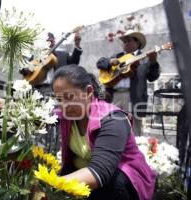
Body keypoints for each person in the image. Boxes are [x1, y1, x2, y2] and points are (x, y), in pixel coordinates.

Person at [52, 64, 156, 200]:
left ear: (89, 92)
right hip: (85, 179)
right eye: (59, 99)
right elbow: (39, 117)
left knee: (113, 184)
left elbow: (99, 172)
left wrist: (50, 184)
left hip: (121, 185)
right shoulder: (67, 115)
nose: (63, 105)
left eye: (69, 97)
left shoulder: (113, 119)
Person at [96, 29, 160, 136]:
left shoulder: (144, 59)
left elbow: (153, 77)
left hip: (134, 97)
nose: (125, 43)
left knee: (134, 132)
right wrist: (110, 62)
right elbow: (100, 63)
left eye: (128, 40)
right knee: (113, 128)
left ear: (137, 43)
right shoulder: (117, 56)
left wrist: (153, 62)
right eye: (124, 41)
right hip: (114, 96)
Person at [20, 32, 82, 96]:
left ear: (54, 41)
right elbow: (23, 69)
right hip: (39, 90)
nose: (49, 44)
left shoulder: (63, 55)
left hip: (59, 90)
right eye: (47, 42)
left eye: (51, 41)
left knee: (58, 105)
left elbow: (74, 62)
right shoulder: (36, 56)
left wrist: (77, 45)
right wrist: (27, 69)